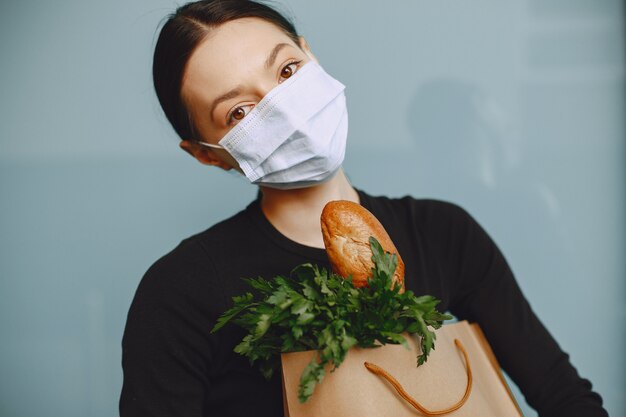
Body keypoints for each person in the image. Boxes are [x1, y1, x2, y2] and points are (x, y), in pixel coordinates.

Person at [119, 1, 608, 416]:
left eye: (288, 70)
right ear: (205, 152)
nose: (285, 109)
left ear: (311, 55)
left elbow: (562, 394)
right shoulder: (181, 291)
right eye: (239, 112)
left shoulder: (443, 234)